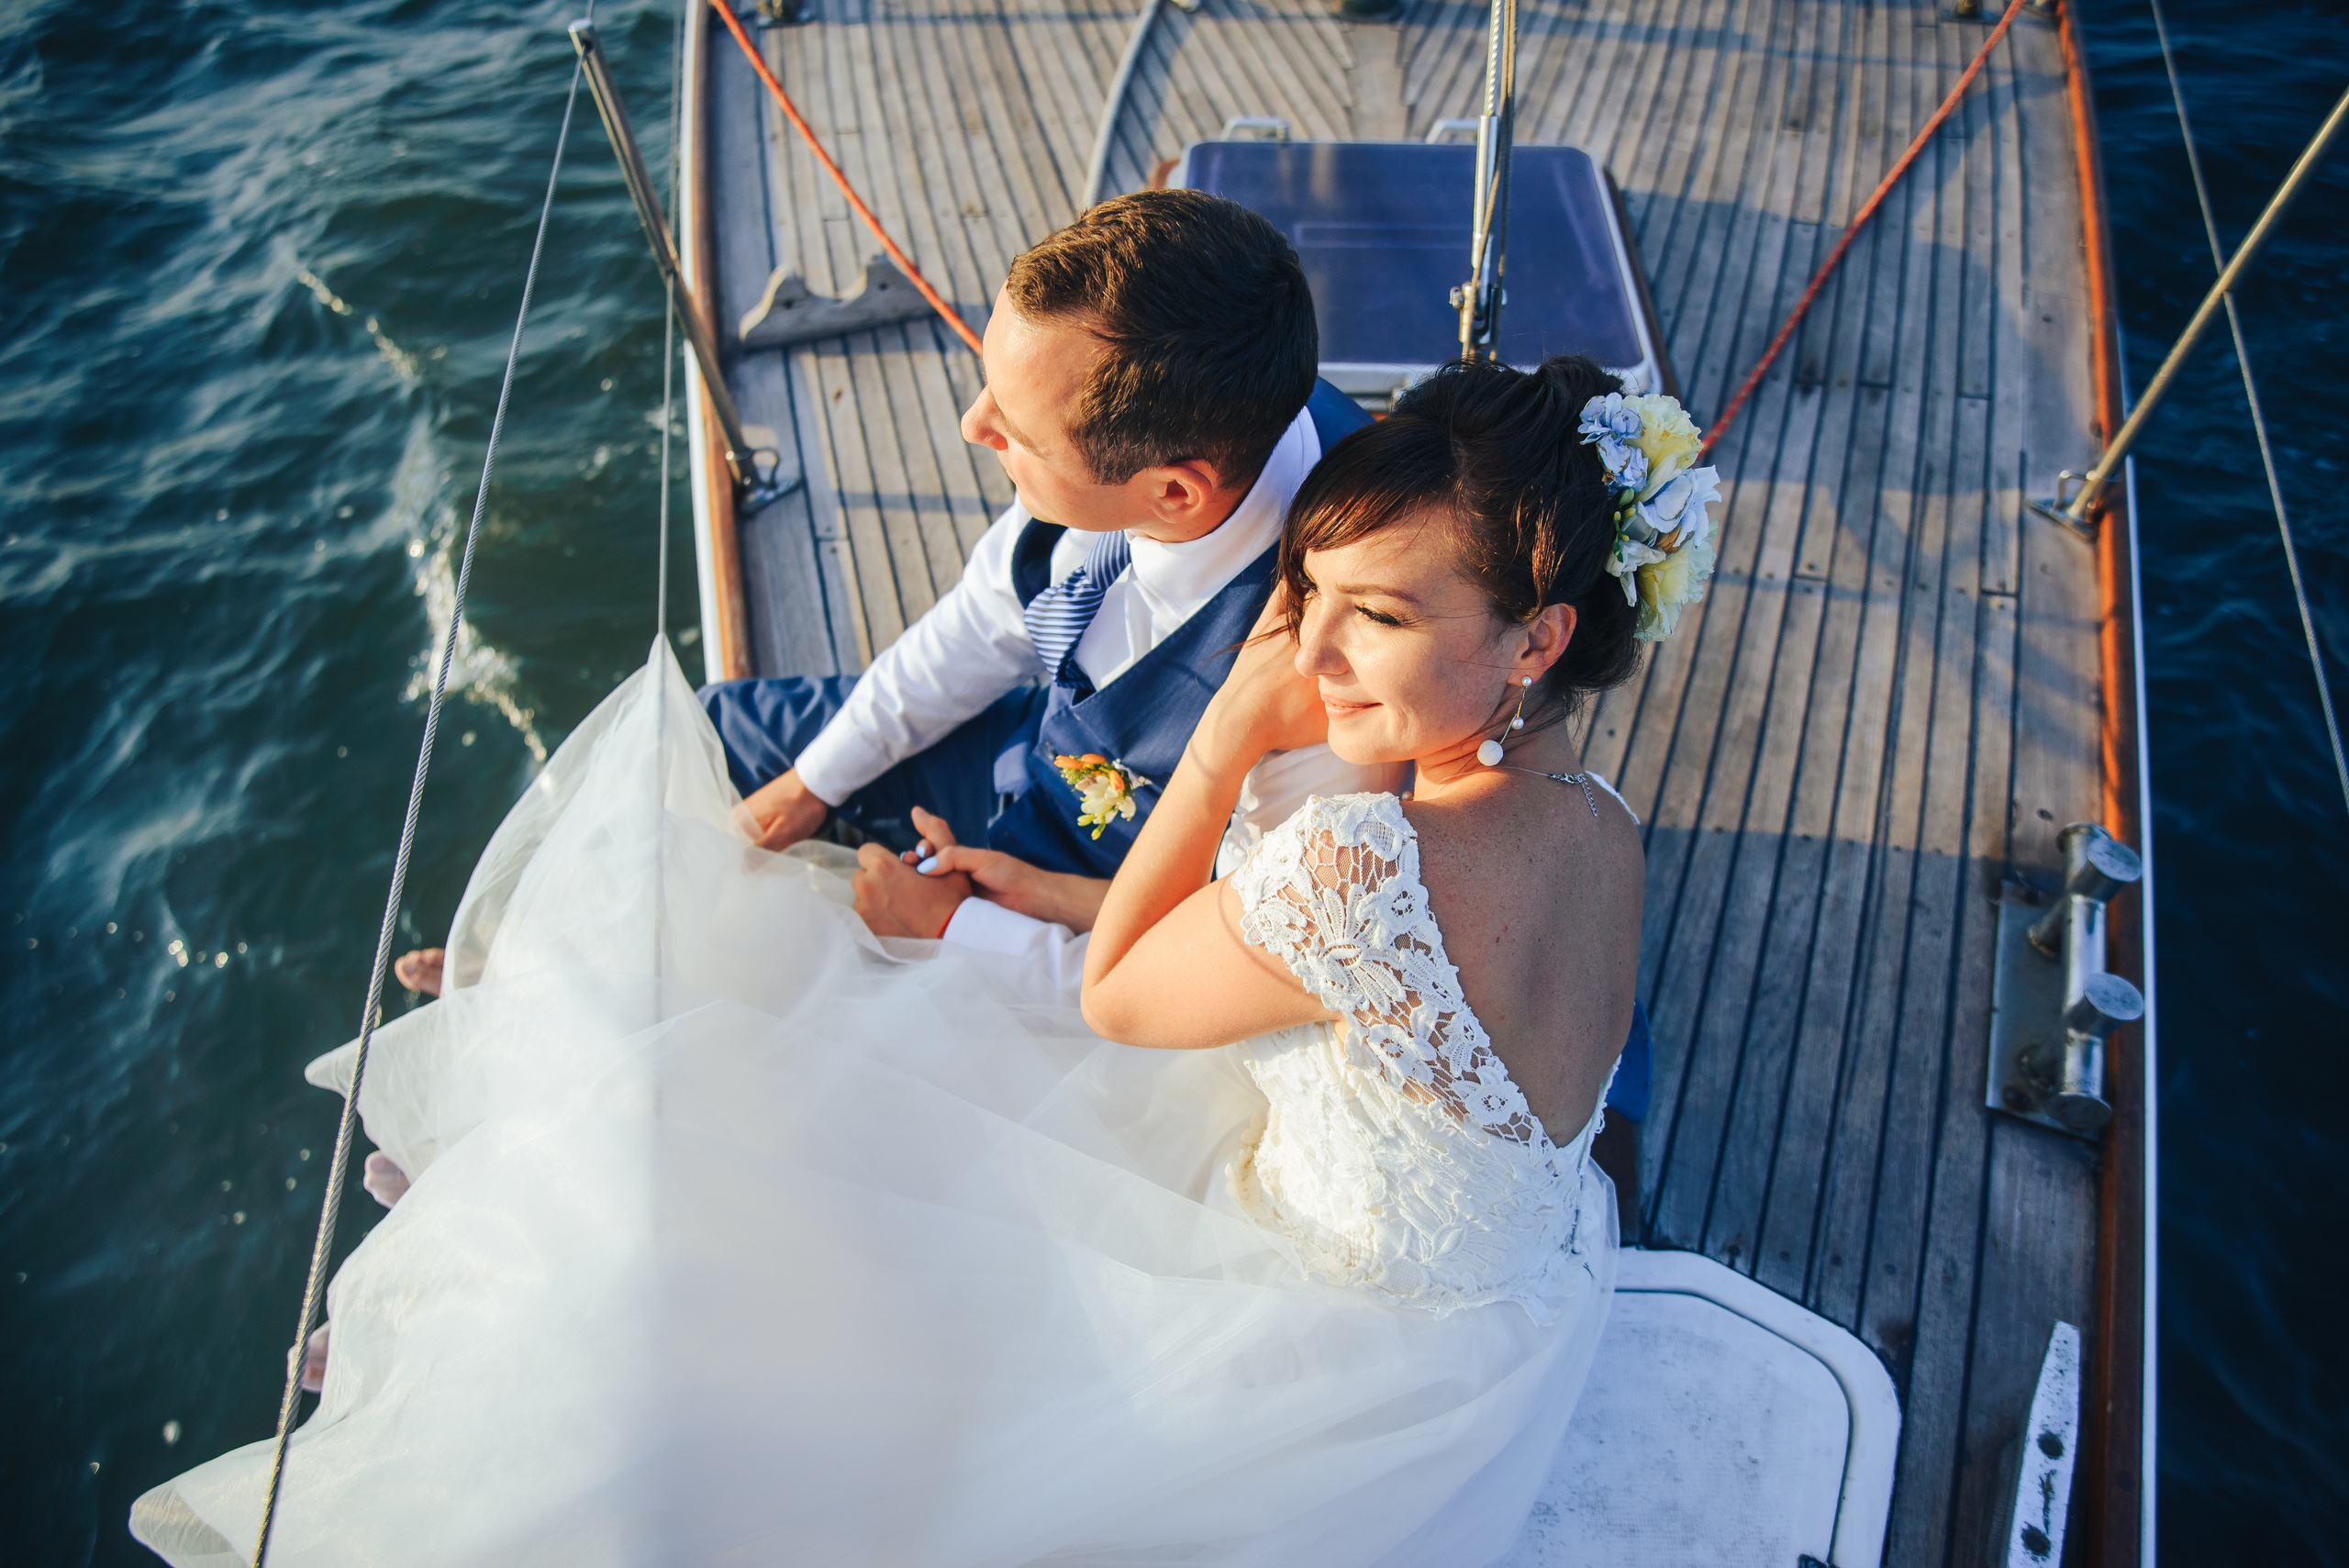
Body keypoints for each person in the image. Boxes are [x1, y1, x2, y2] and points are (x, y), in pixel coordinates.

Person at [130, 353, 1719, 1566]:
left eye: (1370, 613)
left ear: (1539, 636)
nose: (1306, 650)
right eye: (1303, 594)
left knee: (785, 1279)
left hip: (1337, 1347)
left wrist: (1229, 736)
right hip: (1516, 1306)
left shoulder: (1362, 855)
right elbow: (1342, 977)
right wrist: (1037, 877)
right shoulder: (1600, 818)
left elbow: (1127, 998)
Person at [393, 188, 1390, 1005]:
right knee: (716, 737)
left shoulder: (1327, 673)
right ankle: (532, 968)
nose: (971, 423)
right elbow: (980, 625)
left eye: (1014, 428)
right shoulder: (1210, 424)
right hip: (1028, 747)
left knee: (800, 1003)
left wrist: (963, 928)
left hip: (1111, 891)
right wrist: (809, 785)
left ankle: (548, 1015)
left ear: (1173, 491)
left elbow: (1231, 949)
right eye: (987, 383)